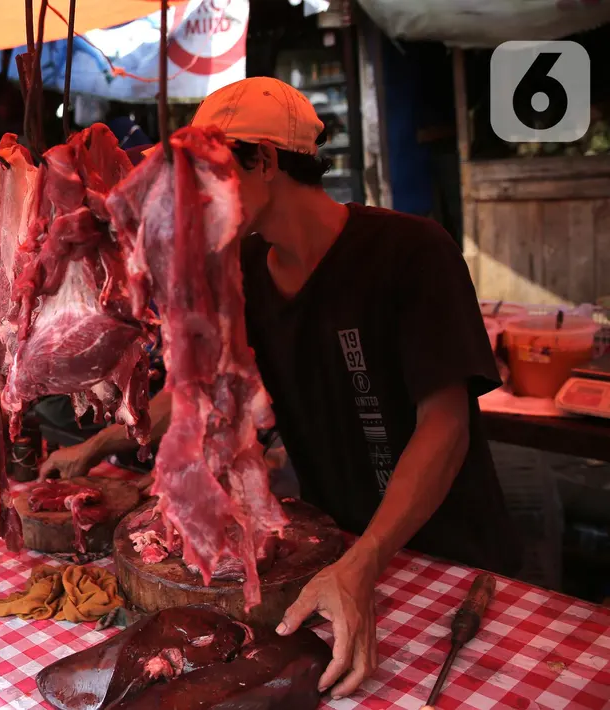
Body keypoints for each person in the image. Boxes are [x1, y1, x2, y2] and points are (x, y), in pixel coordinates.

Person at [38, 77, 519, 700]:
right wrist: (101, 442)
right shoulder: (244, 274)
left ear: (264, 160)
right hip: (329, 562)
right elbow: (201, 394)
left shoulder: (409, 251)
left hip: (450, 565)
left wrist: (367, 559)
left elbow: (446, 425)